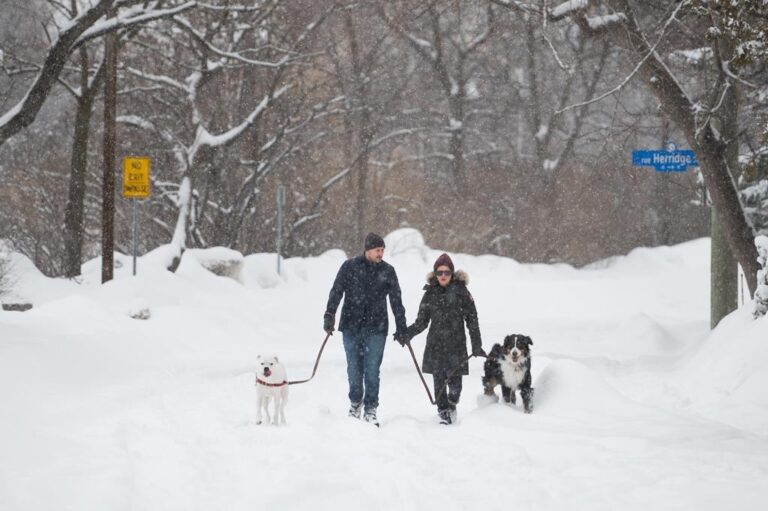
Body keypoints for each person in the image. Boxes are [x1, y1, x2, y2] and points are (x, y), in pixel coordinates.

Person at [324, 232, 408, 427]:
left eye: (383, 250)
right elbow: (336, 291)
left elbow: (396, 301)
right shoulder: (349, 267)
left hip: (377, 329)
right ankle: (355, 404)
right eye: (378, 250)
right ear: (368, 250)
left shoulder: (388, 271)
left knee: (371, 371)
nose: (381, 254)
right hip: (351, 326)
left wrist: (401, 326)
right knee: (354, 369)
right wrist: (329, 314)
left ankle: (371, 409)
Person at [398, 253, 485, 425]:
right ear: (435, 275)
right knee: (439, 384)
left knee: (455, 387)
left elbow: (472, 320)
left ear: (452, 274)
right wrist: (407, 334)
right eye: (439, 273)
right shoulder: (429, 294)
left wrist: (477, 344)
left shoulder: (462, 292)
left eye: (446, 272)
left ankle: (452, 404)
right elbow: (421, 322)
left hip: (457, 345)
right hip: (435, 346)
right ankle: (443, 412)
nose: (443, 276)